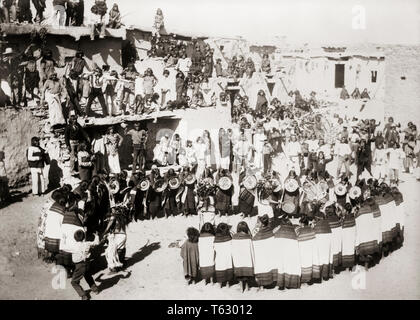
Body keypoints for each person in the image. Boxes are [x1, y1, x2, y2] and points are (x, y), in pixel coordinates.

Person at [69, 230, 101, 300]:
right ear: (83, 237)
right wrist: (96, 236)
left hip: (79, 265)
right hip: (87, 263)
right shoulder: (87, 244)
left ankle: (83, 295)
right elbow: (96, 243)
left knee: (74, 282)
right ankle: (95, 289)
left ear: (74, 238)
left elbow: (63, 248)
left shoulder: (72, 246)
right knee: (88, 276)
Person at [252, 214, 276, 289]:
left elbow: (254, 240)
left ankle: (261, 286)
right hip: (268, 253)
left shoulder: (257, 233)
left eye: (258, 223)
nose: (257, 224)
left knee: (261, 267)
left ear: (262, 224)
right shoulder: (270, 231)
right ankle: (271, 282)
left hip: (260, 254)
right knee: (268, 266)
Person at [232, 221, 254, 292]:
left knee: (240, 275)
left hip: (238, 259)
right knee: (246, 274)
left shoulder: (234, 237)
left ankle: (241, 287)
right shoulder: (249, 238)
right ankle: (247, 286)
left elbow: (233, 249)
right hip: (247, 259)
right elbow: (251, 250)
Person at [214, 222, 233, 288]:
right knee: (228, 268)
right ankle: (228, 283)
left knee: (220, 269)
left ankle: (220, 284)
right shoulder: (229, 239)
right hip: (228, 258)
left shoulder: (216, 239)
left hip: (220, 258)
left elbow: (215, 249)